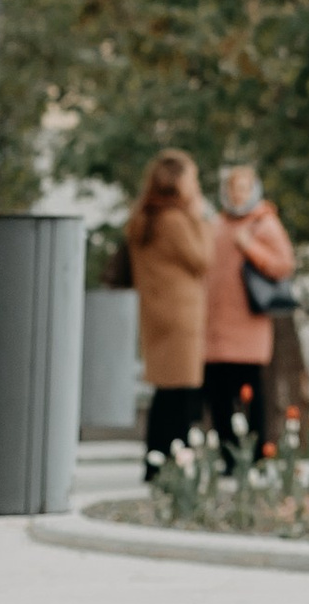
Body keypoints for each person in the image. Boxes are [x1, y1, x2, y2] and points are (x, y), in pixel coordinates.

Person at [125, 152, 211, 476]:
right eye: (193, 179)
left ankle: (156, 462)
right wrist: (198, 218)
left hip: (157, 313)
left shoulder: (145, 218)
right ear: (178, 183)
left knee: (165, 391)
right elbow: (202, 258)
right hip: (181, 316)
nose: (196, 186)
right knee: (181, 393)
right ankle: (173, 464)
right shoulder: (174, 220)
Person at [203, 162, 293, 463]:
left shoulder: (264, 223)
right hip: (214, 330)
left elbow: (283, 266)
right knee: (218, 398)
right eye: (232, 188)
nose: (237, 195)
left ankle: (255, 455)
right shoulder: (216, 224)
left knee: (251, 396)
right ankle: (228, 457)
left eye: (242, 188)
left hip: (247, 329)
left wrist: (251, 247)